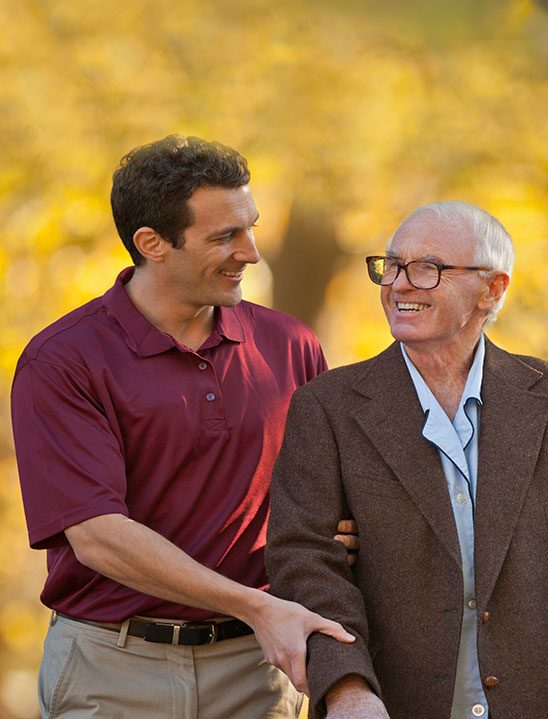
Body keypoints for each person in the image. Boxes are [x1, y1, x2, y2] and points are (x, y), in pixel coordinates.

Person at [267, 201, 548, 719]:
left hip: (545, 702)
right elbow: (304, 560)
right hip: (388, 702)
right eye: (391, 265)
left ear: (493, 288)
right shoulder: (327, 406)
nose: (400, 284)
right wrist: (347, 688)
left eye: (428, 268)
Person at [11, 135, 355, 719]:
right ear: (152, 244)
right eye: (224, 236)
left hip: (256, 669)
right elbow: (97, 537)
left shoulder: (290, 345)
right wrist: (259, 606)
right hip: (113, 669)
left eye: (251, 228)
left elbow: (326, 503)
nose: (250, 253)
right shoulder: (63, 361)